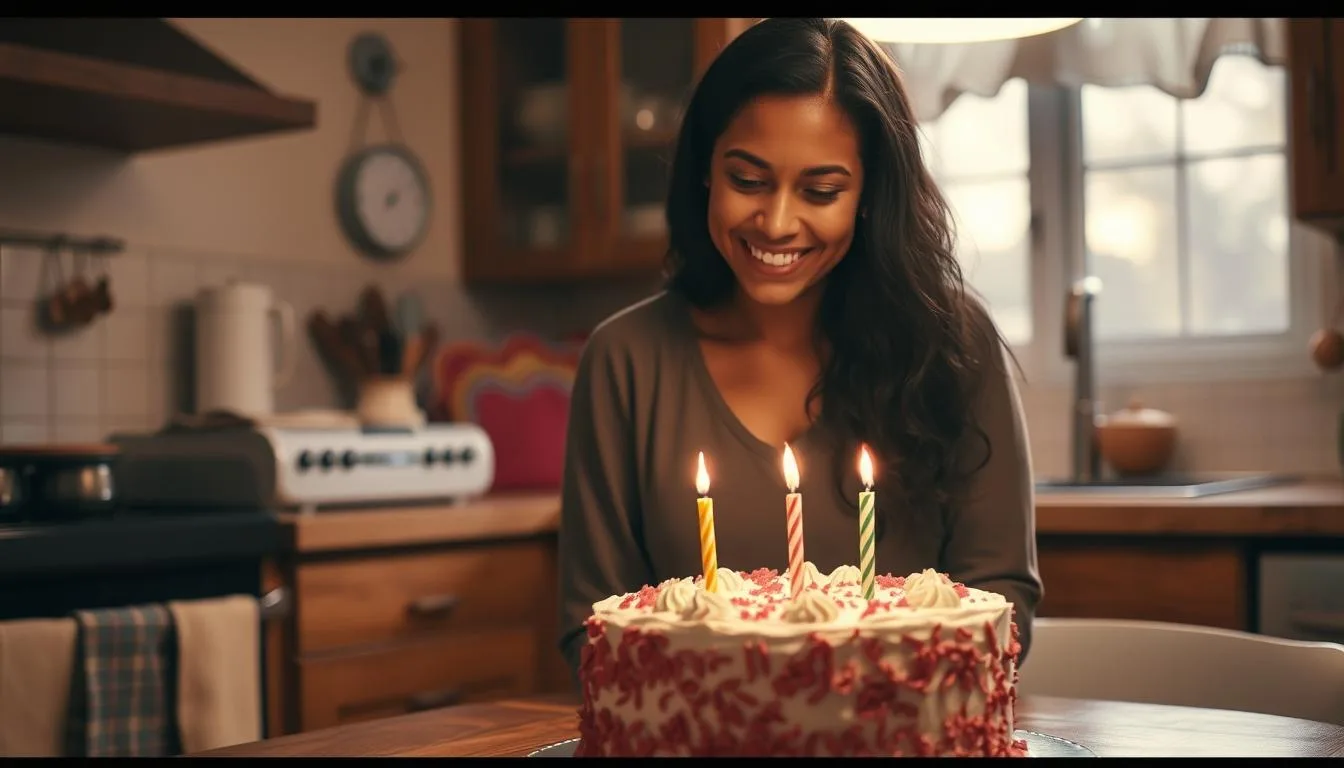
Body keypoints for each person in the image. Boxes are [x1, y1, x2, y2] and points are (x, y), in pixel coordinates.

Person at [556, 17, 1042, 683]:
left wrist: (842, 708)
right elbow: (591, 627)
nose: (778, 222)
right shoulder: (626, 361)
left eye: (821, 191)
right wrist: (756, 714)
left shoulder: (955, 346)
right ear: (704, 170)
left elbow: (1001, 602)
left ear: (870, 194)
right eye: (748, 180)